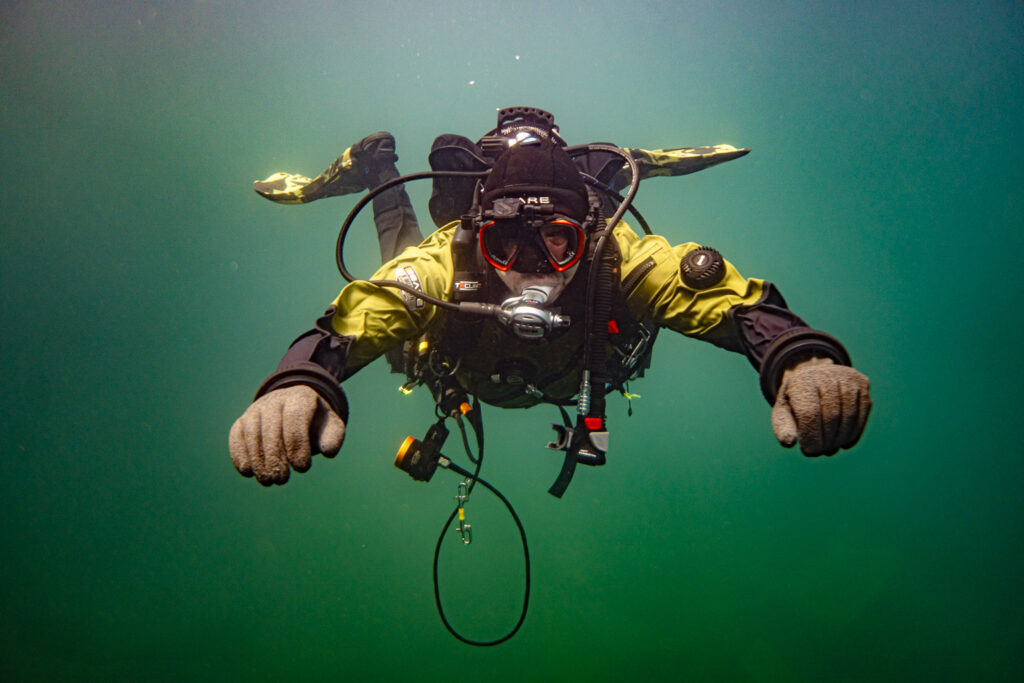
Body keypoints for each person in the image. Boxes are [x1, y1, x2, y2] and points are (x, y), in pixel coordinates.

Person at [230, 108, 872, 492]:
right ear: (479, 236)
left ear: (587, 235)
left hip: (528, 363)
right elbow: (360, 313)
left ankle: (616, 170)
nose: (532, 269)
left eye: (560, 243)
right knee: (399, 294)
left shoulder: (616, 256)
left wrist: (793, 353)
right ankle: (379, 171)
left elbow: (709, 291)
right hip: (470, 350)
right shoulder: (447, 258)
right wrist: (303, 377)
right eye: (506, 244)